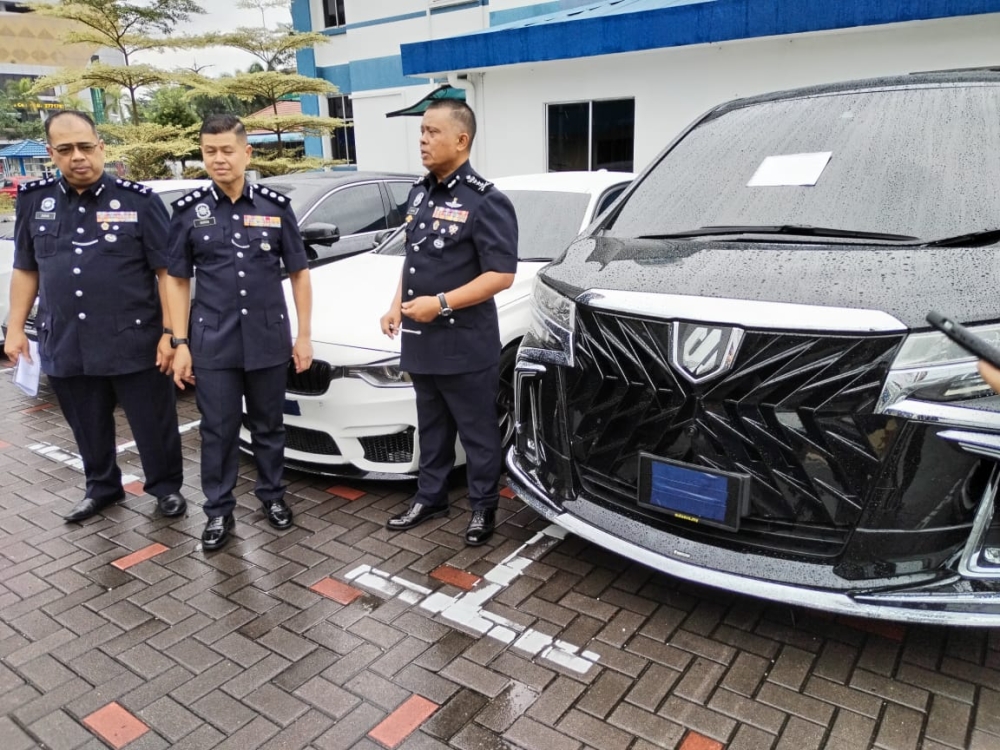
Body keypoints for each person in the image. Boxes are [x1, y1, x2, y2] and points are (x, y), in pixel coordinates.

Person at [5, 110, 187, 522]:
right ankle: (102, 487)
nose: (78, 157)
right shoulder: (35, 201)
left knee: (153, 423)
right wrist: (15, 329)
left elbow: (168, 273)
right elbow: (26, 268)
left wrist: (171, 333)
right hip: (67, 339)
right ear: (51, 153)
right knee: (86, 424)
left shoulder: (138, 201)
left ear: (101, 147)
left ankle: (165, 488)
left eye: (86, 147)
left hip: (134, 339)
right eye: (66, 149)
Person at [165, 114, 313, 551]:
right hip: (214, 343)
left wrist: (303, 336)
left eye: (227, 150)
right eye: (209, 151)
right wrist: (180, 342)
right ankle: (218, 511)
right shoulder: (190, 212)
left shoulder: (274, 207)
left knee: (269, 426)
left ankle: (272, 496)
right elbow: (176, 280)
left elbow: (300, 274)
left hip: (268, 340)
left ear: (247, 153)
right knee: (218, 430)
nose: (218, 159)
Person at [379, 100, 518, 546]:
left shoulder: (487, 201)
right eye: (421, 131)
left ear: (461, 140)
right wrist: (394, 304)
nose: (423, 140)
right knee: (431, 424)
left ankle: (482, 506)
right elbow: (415, 260)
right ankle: (431, 495)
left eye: (433, 132)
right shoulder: (420, 193)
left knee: (477, 431)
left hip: (464, 342)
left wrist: (439, 304)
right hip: (422, 340)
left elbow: (501, 274)